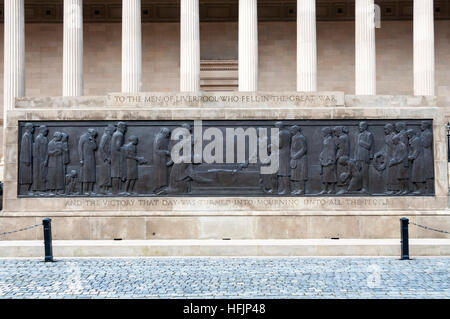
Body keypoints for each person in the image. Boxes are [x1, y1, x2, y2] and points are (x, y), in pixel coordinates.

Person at [354, 121, 374, 194]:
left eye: (361, 126)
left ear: (365, 127)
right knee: (357, 173)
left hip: (365, 156)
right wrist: (355, 157)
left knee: (364, 173)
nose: (360, 127)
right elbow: (356, 147)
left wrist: (361, 142)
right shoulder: (358, 135)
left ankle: (365, 188)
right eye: (359, 126)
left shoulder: (369, 135)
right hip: (358, 156)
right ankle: (357, 187)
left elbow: (369, 146)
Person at [79, 128, 98, 195]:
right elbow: (80, 148)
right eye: (93, 134)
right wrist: (81, 159)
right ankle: (85, 191)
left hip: (91, 158)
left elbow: (95, 147)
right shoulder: (83, 137)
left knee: (92, 175)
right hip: (85, 159)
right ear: (90, 132)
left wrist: (92, 140)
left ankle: (90, 190)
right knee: (85, 175)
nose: (94, 135)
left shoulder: (92, 138)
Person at [289, 125, 308, 195]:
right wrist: (292, 156)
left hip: (301, 159)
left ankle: (301, 190)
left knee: (300, 175)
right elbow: (291, 148)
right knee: (294, 175)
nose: (291, 132)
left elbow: (304, 149)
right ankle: (296, 189)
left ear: (296, 130)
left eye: (292, 130)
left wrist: (296, 156)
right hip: (294, 158)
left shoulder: (301, 137)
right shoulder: (293, 137)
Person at [152, 127, 171, 193]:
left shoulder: (162, 138)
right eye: (168, 134)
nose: (168, 135)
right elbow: (156, 150)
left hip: (162, 158)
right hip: (159, 159)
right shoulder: (160, 138)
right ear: (164, 133)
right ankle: (158, 188)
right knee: (160, 174)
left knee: (163, 173)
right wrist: (165, 152)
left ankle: (162, 187)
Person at [275, 122, 291, 195]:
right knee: (285, 172)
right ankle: (283, 188)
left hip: (282, 153)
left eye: (276, 127)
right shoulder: (288, 132)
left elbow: (280, 144)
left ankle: (286, 189)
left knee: (284, 172)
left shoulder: (280, 133)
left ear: (279, 126)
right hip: (287, 152)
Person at [110, 122, 127, 194]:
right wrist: (126, 148)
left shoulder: (114, 134)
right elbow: (118, 147)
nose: (125, 129)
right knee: (117, 174)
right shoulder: (120, 134)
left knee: (115, 173)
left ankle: (116, 190)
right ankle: (117, 191)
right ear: (121, 127)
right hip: (118, 156)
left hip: (114, 156)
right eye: (125, 127)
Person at [319, 127, 336, 194]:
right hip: (325, 158)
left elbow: (332, 150)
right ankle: (325, 189)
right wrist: (321, 156)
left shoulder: (330, 140)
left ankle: (332, 189)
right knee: (325, 175)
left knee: (330, 174)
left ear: (327, 133)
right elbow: (325, 149)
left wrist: (330, 160)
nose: (322, 133)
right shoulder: (326, 139)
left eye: (323, 132)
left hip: (329, 159)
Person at [407, 129, 426, 195]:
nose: (408, 136)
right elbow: (411, 150)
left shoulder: (416, 140)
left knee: (418, 174)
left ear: (412, 134)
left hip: (419, 159)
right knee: (415, 174)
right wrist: (409, 155)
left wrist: (411, 157)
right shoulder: (411, 140)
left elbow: (416, 151)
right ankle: (418, 189)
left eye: (409, 134)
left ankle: (421, 189)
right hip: (415, 160)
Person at [32, 125, 49, 194]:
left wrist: (46, 159)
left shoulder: (45, 139)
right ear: (41, 130)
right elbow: (36, 150)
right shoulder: (38, 138)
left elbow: (47, 150)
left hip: (44, 159)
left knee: (43, 174)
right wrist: (38, 160)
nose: (46, 132)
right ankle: (36, 189)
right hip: (38, 160)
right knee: (38, 174)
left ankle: (42, 189)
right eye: (45, 130)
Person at [98, 124, 115, 194]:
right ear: (110, 130)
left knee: (107, 174)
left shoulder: (109, 136)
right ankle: (103, 189)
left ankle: (106, 189)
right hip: (104, 159)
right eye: (113, 131)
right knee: (104, 174)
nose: (113, 132)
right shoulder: (105, 136)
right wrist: (106, 158)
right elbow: (101, 147)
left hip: (108, 158)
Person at [19, 123, 34, 195]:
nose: (33, 129)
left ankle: (27, 190)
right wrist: (26, 159)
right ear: (28, 128)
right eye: (32, 128)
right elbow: (25, 149)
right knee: (25, 175)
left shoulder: (29, 135)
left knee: (28, 176)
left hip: (29, 158)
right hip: (26, 160)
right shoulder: (26, 136)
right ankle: (24, 191)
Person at [420, 121, 434, 194]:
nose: (420, 126)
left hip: (427, 155)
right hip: (422, 154)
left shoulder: (428, 134)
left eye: (422, 124)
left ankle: (430, 190)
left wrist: (420, 140)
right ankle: (425, 188)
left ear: (426, 125)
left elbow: (426, 144)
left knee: (428, 172)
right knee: (424, 171)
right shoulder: (423, 133)